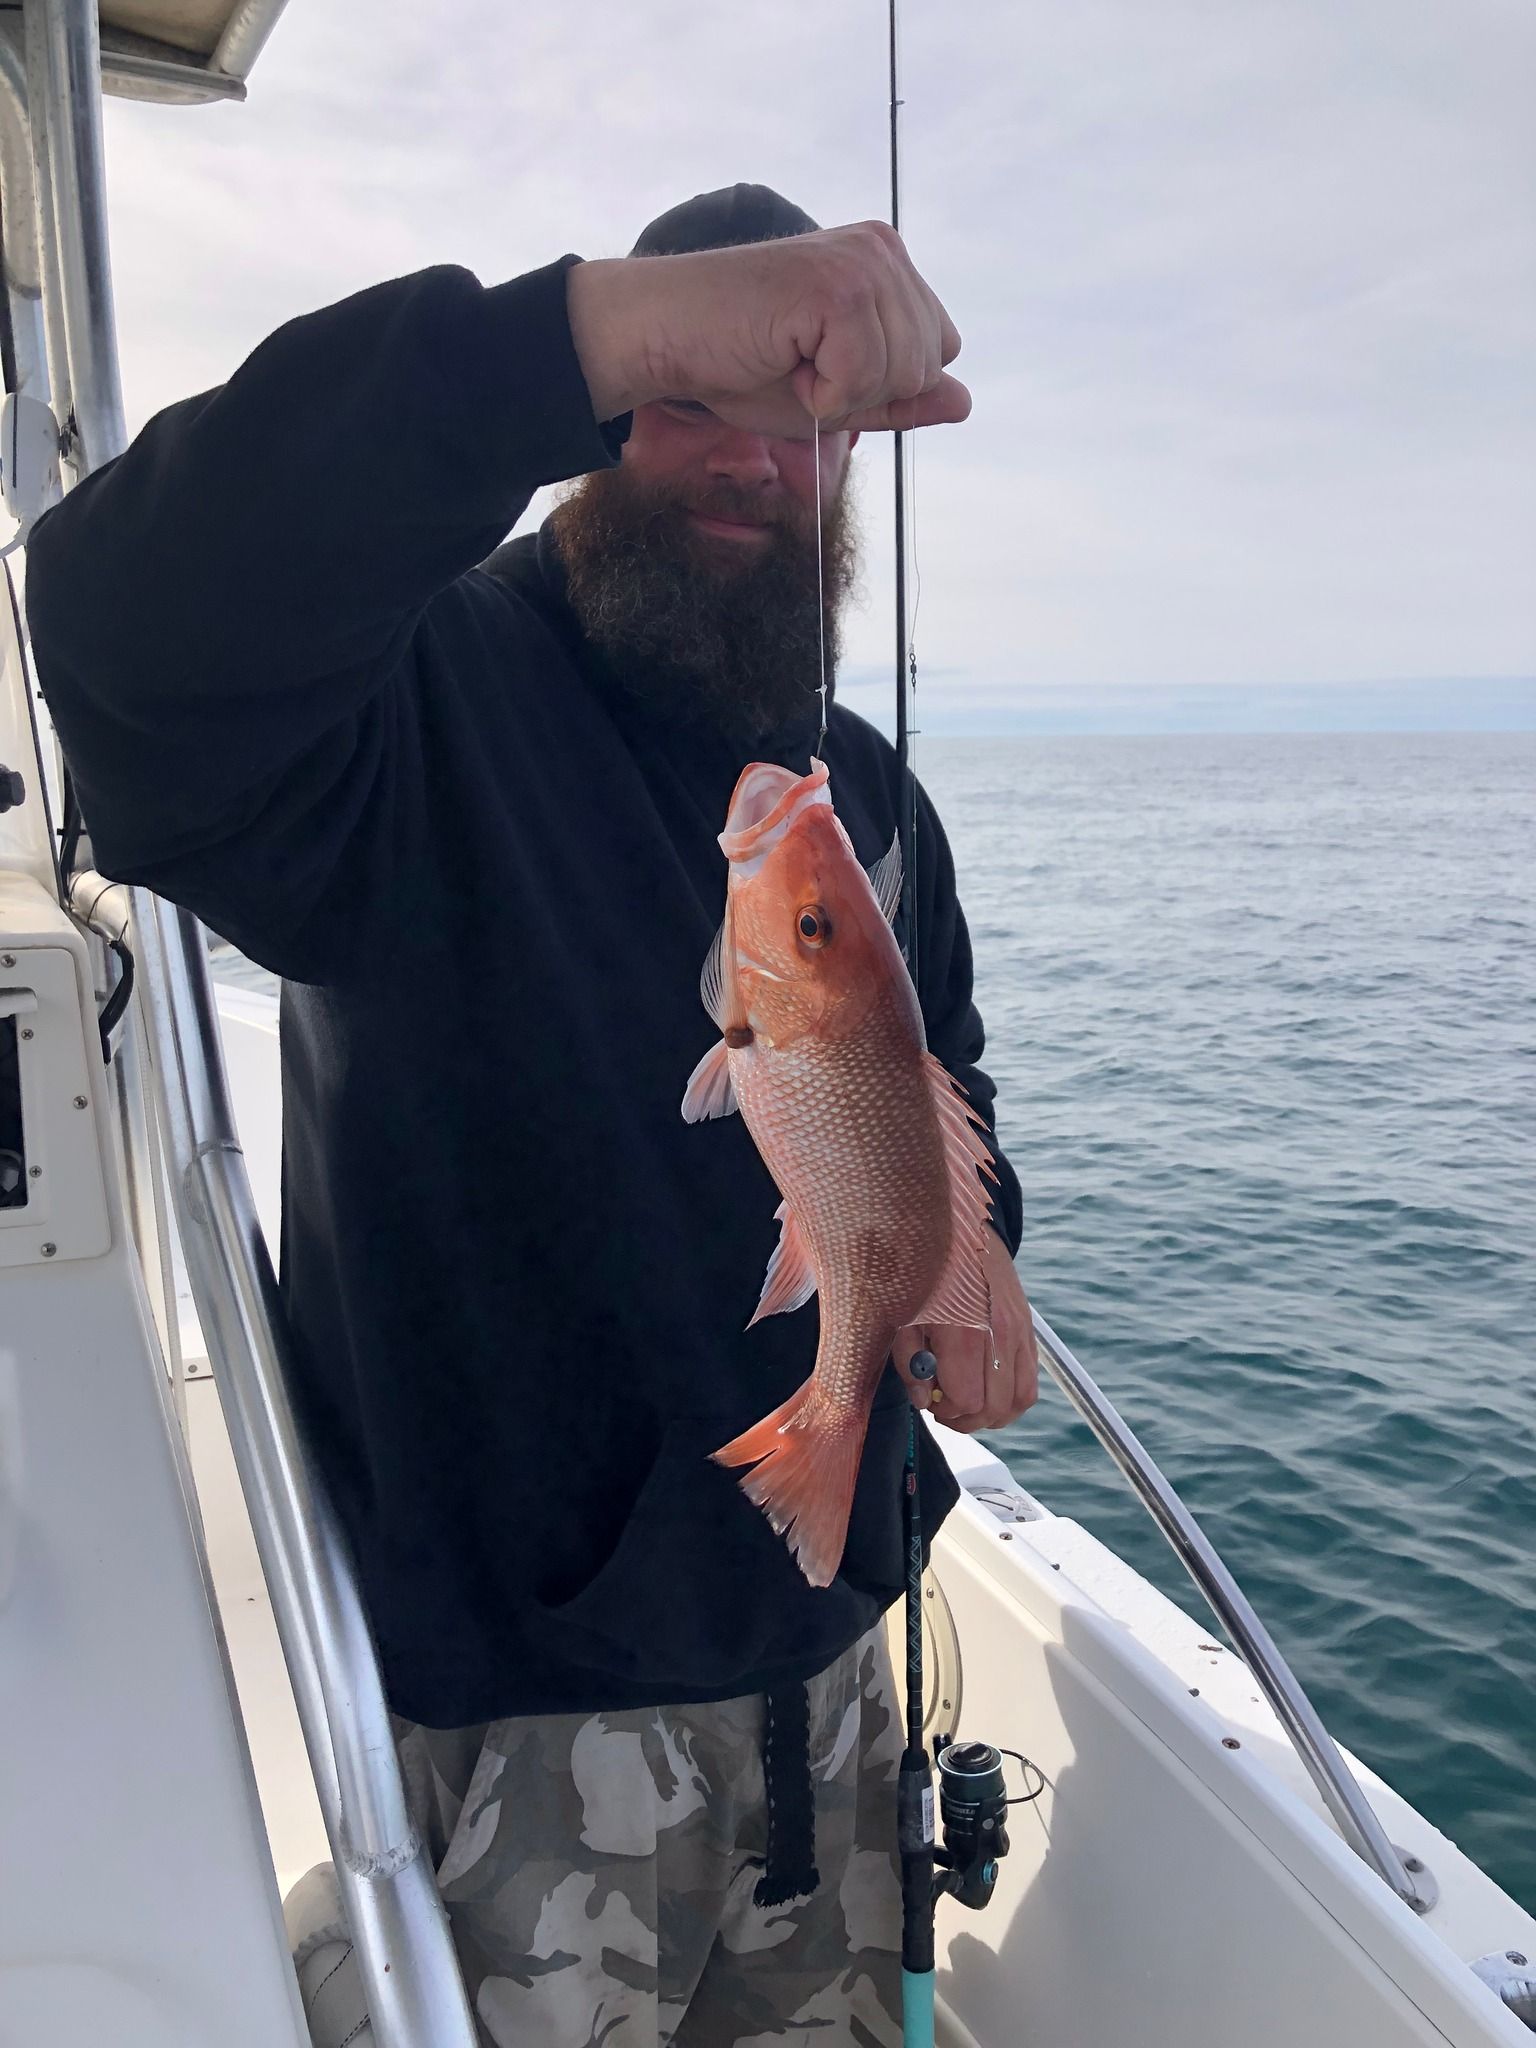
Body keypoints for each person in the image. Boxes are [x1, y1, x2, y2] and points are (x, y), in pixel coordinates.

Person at [27, 183, 1038, 2046]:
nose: (750, 462)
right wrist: (578, 328)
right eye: (692, 398)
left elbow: (942, 1089)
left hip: (826, 1685)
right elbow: (112, 620)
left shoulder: (861, 797)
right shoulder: (410, 702)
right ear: (601, 421)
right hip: (520, 1717)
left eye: (798, 429)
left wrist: (979, 1277)